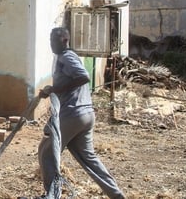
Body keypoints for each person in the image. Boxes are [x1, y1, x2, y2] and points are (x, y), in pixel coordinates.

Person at [37, 27, 125, 199]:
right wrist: (51, 91)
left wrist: (56, 88)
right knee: (88, 158)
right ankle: (116, 195)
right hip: (85, 115)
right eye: (50, 40)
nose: (51, 44)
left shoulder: (67, 57)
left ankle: (51, 195)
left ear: (64, 40)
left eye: (54, 40)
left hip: (72, 114)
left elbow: (83, 76)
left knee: (47, 152)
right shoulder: (64, 57)